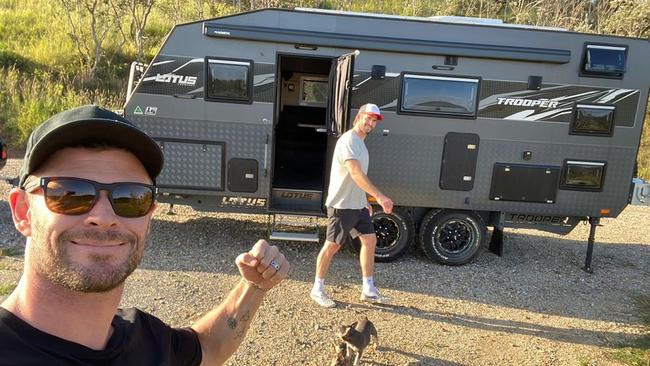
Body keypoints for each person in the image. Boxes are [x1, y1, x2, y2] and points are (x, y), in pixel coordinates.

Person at [0, 105, 290, 365]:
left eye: (130, 197)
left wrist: (254, 287)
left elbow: (208, 348)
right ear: (22, 211)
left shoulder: (146, 339)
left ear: (150, 212)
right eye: (69, 193)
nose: (103, 218)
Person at [310, 103, 394, 308]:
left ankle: (368, 289)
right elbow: (355, 172)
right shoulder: (348, 140)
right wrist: (379, 197)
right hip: (342, 205)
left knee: (370, 240)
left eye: (374, 121)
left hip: (357, 206)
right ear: (358, 118)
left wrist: (364, 200)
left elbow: (356, 179)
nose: (371, 123)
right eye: (368, 118)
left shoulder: (361, 143)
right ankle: (317, 289)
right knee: (332, 246)